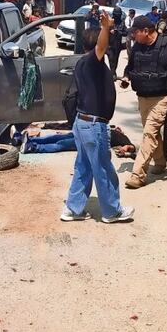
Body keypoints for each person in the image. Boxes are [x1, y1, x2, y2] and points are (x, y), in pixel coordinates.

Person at [62, 11, 134, 223]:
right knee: (103, 168)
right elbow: (101, 47)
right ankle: (112, 211)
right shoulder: (92, 61)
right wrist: (105, 28)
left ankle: (72, 210)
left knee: (83, 167)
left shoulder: (85, 63)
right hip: (93, 125)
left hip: (83, 123)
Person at [121, 15, 167, 189]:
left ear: (146, 31)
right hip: (143, 96)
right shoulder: (138, 46)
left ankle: (138, 175)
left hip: (161, 97)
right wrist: (126, 77)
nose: (133, 36)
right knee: (151, 133)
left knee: (149, 134)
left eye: (135, 33)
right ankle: (160, 163)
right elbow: (130, 67)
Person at [108, 6, 126, 78]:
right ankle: (112, 73)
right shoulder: (110, 21)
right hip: (110, 44)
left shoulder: (122, 22)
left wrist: (119, 32)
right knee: (111, 58)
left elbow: (125, 32)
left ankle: (113, 72)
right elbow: (104, 30)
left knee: (115, 59)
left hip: (118, 44)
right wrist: (109, 31)